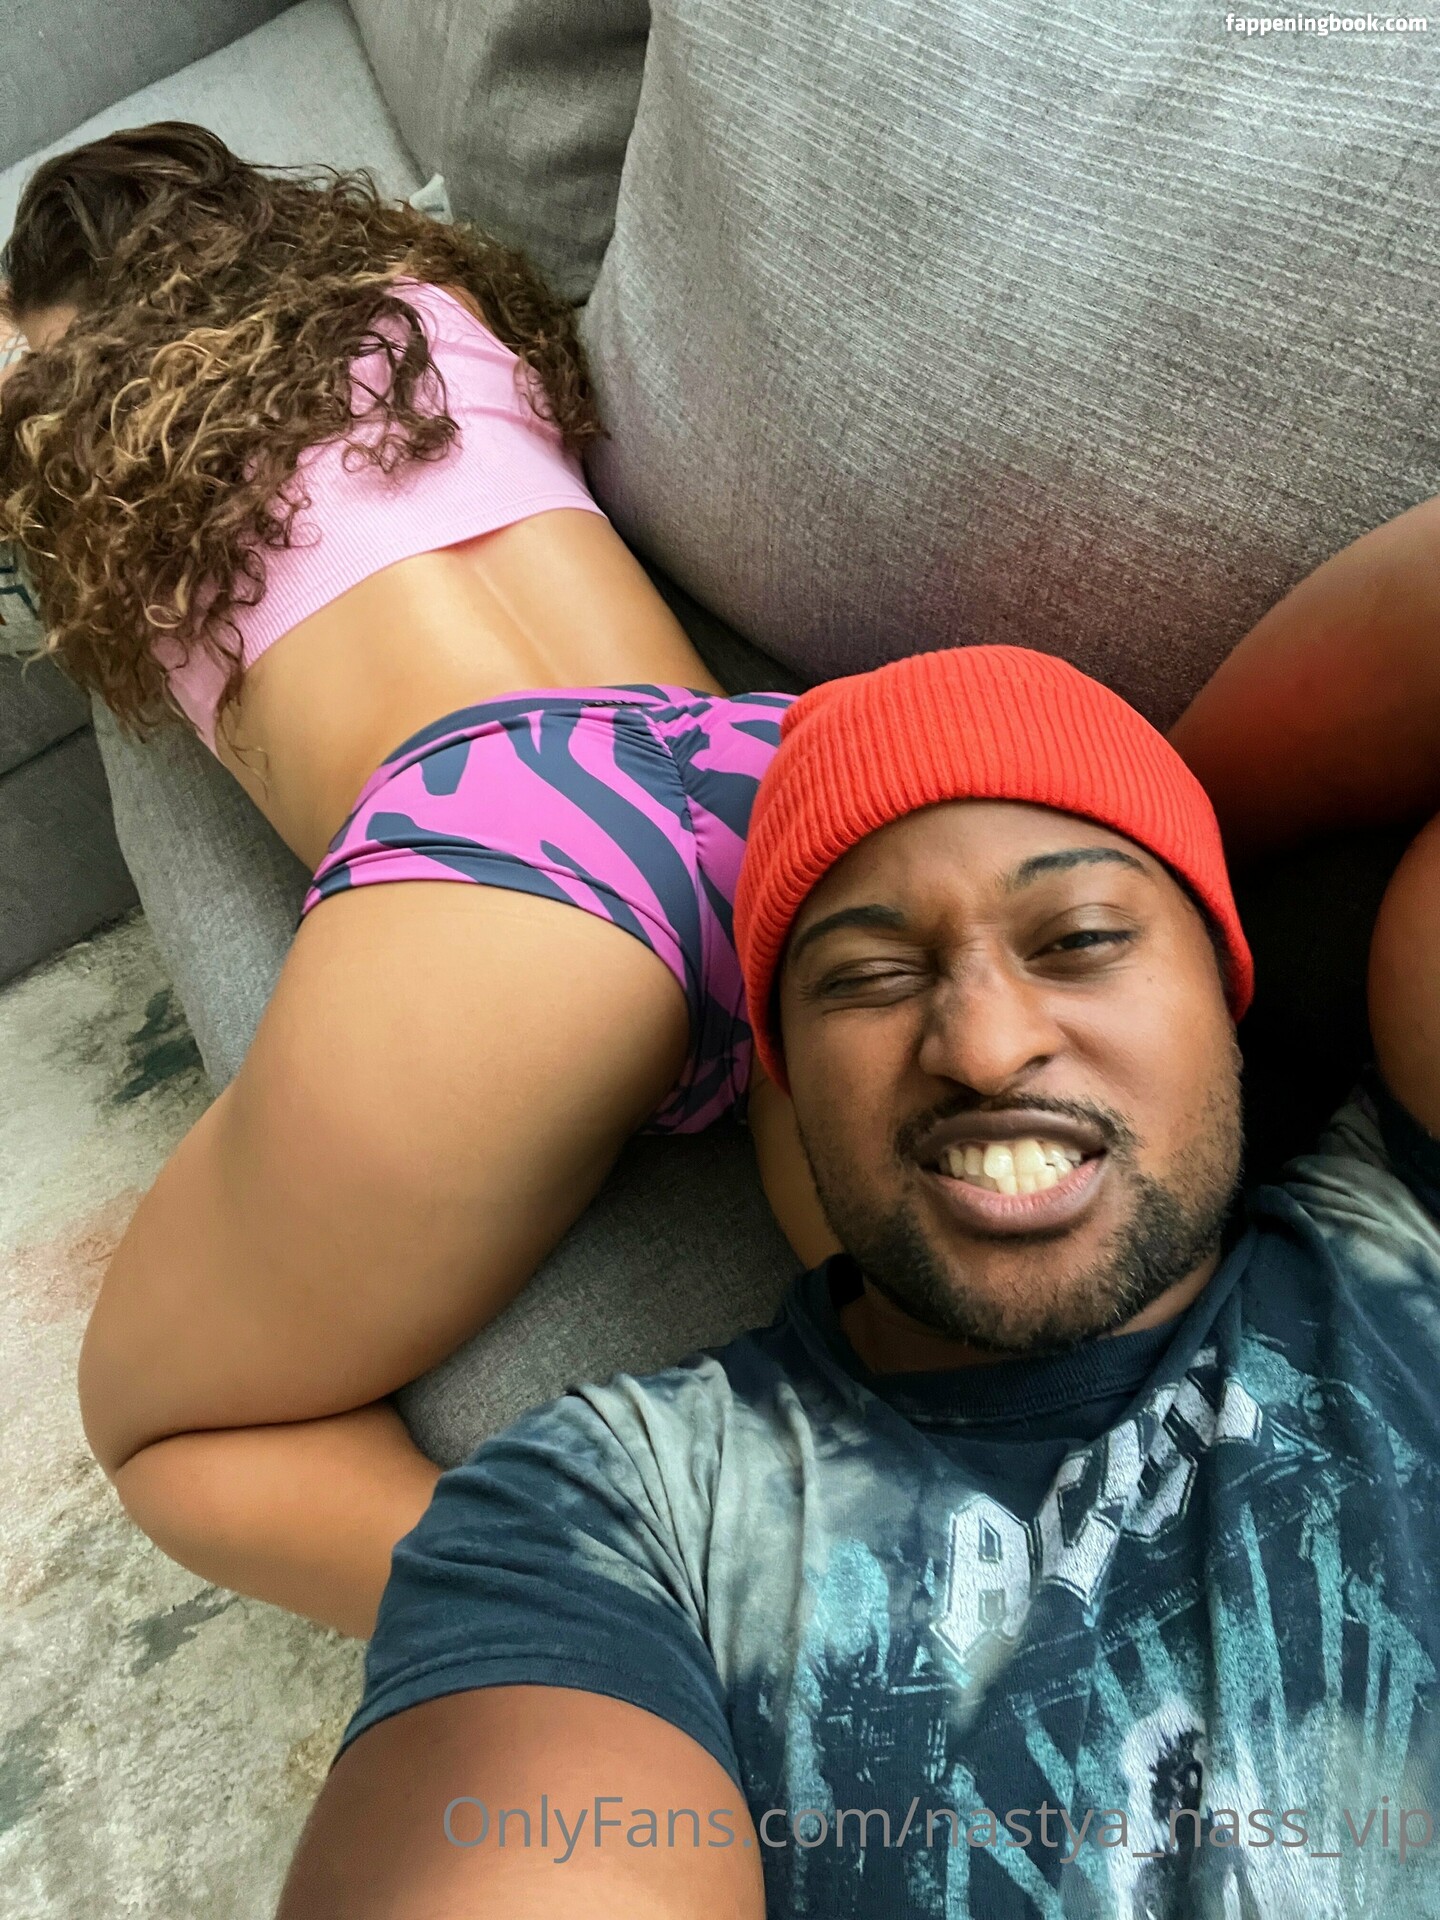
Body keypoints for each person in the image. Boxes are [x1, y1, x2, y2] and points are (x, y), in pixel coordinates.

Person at [278, 635, 1440, 1919]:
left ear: (1224, 989)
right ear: (788, 1078)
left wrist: (1173, 801)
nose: (985, 1047)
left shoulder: (1407, 1224)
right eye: (871, 975)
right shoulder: (619, 1513)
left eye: (1085, 935)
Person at [0, 123, 829, 1640]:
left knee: (162, 1426)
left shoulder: (83, 434)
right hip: (757, 775)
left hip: (513, 865)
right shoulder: (426, 304)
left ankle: (664, 1654)